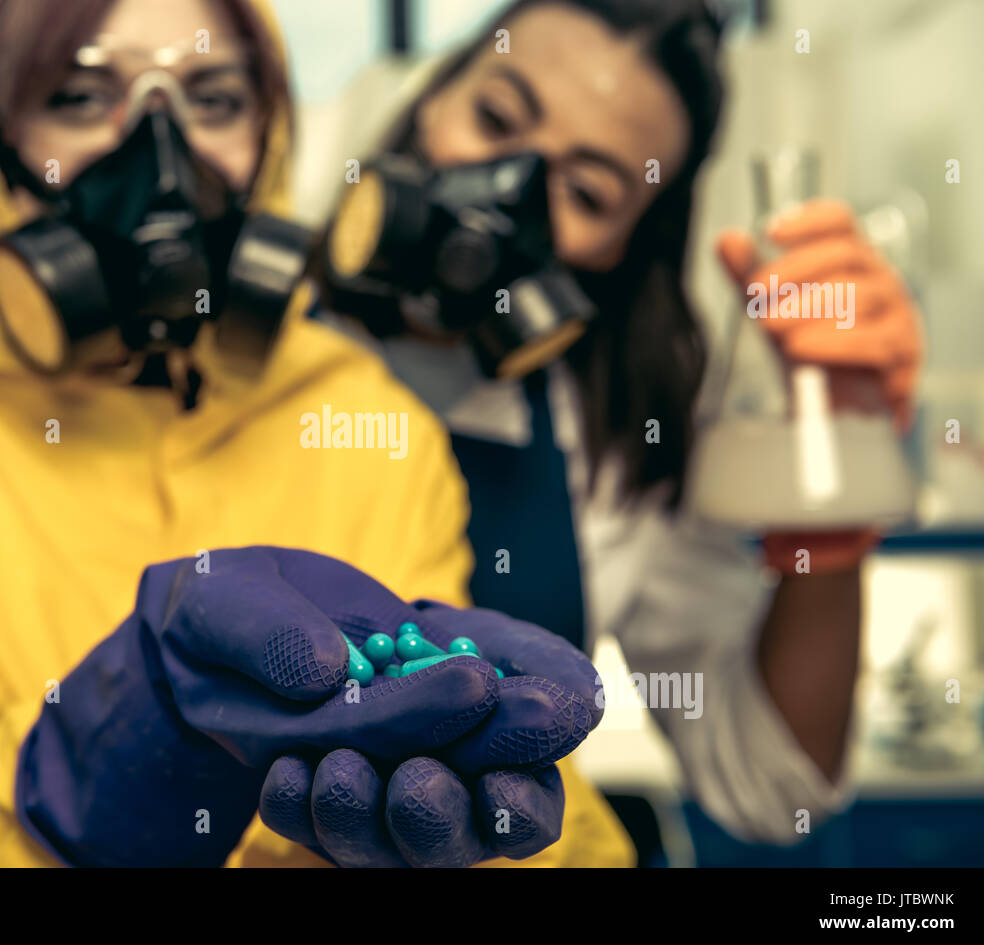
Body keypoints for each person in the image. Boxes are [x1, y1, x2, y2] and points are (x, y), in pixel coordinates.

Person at [0, 0, 633, 868]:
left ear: (268, 133)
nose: (160, 150)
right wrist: (75, 790)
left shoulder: (366, 419)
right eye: (77, 96)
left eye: (214, 97)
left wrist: (492, 812)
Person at [292, 0, 923, 845]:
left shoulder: (615, 437)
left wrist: (832, 505)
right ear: (429, 98)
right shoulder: (225, 345)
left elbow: (773, 787)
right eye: (494, 118)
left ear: (623, 246)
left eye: (587, 191)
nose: (504, 195)